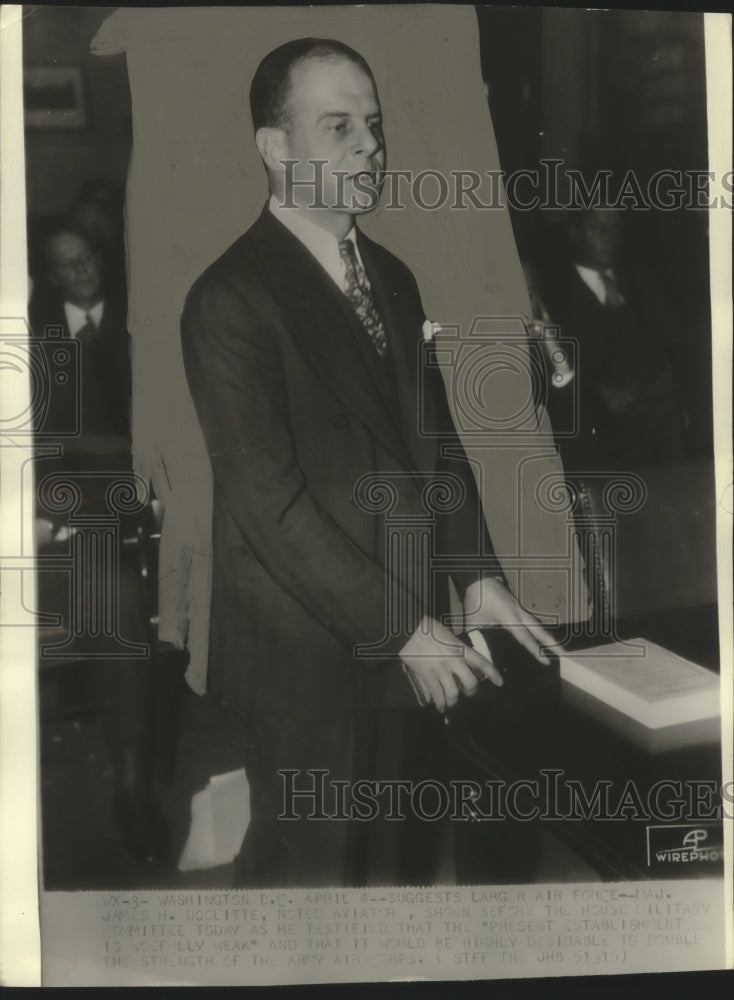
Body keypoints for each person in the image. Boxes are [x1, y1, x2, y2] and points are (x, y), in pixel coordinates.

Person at [181, 38, 554, 888]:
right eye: (339, 126)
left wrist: (475, 575)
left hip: (408, 626)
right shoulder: (228, 298)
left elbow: (435, 444)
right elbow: (269, 505)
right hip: (305, 654)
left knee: (394, 865)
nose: (371, 147)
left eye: (375, 125)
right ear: (275, 147)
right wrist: (404, 630)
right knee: (311, 878)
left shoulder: (390, 273)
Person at [31, 223, 171, 866]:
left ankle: (132, 778)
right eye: (67, 265)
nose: (82, 271)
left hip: (124, 506)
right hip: (48, 508)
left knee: (112, 594)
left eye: (88, 257)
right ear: (51, 276)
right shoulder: (29, 333)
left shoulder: (145, 325)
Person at [538, 207, 686, 473]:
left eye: (615, 228)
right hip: (603, 430)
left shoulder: (642, 281)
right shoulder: (555, 297)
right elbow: (554, 370)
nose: (610, 237)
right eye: (598, 228)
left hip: (660, 419)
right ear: (574, 233)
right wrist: (599, 393)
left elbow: (670, 339)